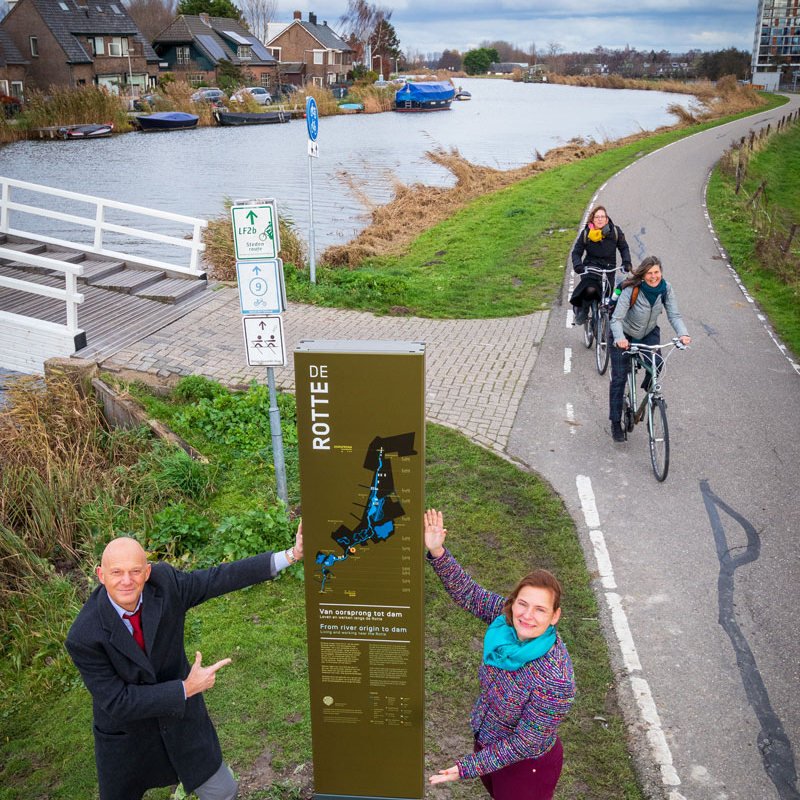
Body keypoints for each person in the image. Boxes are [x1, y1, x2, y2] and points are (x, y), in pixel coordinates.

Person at [65, 527, 304, 800]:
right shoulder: (83, 635)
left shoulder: (166, 584)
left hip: (183, 725)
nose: (126, 581)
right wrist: (185, 689)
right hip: (128, 739)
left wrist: (292, 554)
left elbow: (218, 579)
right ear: (101, 575)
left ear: (147, 572)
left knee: (224, 792)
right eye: (116, 572)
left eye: (135, 571)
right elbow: (119, 702)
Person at [423, 509, 575, 800]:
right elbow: (468, 593)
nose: (527, 615)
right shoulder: (505, 620)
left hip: (526, 768)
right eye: (523, 603)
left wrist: (467, 767)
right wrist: (437, 550)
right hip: (488, 744)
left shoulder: (556, 679)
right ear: (513, 603)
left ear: (555, 617)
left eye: (540, 609)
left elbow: (526, 743)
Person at [609, 255, 691, 442]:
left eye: (657, 272)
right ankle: (615, 422)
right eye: (650, 273)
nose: (654, 276)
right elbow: (616, 319)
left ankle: (649, 394)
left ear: (661, 272)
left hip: (648, 333)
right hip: (624, 333)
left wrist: (683, 334)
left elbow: (674, 315)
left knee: (657, 363)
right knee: (619, 379)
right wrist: (620, 339)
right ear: (643, 274)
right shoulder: (632, 289)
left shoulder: (666, 289)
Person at [569, 205, 632, 324]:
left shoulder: (615, 231)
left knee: (607, 298)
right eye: (597, 217)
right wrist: (578, 265)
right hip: (591, 268)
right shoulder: (586, 233)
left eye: (602, 217)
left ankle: (601, 324)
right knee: (590, 289)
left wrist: (626, 263)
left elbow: (624, 248)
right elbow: (576, 252)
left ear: (607, 219)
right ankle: (584, 309)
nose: (600, 219)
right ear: (592, 219)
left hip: (608, 269)